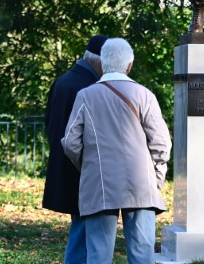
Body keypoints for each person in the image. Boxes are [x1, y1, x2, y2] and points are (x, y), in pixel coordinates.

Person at [62, 38, 172, 264]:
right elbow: (162, 143)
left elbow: (71, 142)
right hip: (141, 184)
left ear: (102, 64)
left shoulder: (86, 95)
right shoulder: (144, 95)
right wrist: (156, 178)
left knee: (98, 255)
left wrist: (89, 167)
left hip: (100, 183)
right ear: (129, 65)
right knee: (142, 255)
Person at [43, 34, 107, 264]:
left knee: (81, 225)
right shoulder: (89, 86)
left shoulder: (63, 81)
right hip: (83, 167)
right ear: (99, 62)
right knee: (85, 229)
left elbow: (48, 120)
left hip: (66, 162)